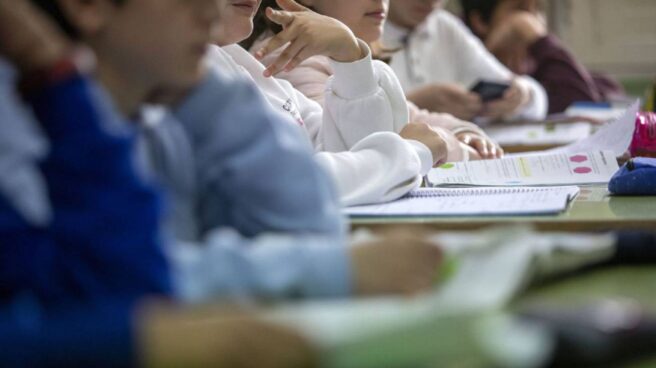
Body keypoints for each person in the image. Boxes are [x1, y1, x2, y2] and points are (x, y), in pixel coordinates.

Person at [28, 0, 444, 303]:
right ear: (88, 6)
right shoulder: (36, 127)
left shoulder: (169, 103)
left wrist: (204, 85)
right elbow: (121, 284)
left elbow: (308, 222)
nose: (209, 12)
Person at [0, 1, 316, 366]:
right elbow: (124, 302)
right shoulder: (25, 126)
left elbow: (139, 289)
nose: (211, 14)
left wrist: (56, 76)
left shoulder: (152, 121)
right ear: (88, 6)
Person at [210, 0, 458, 206]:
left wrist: (351, 58)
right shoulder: (188, 76)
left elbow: (346, 151)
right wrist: (412, 153)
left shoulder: (236, 62)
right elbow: (282, 185)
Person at [248, 0, 503, 160]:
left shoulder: (339, 58)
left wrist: (464, 132)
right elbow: (366, 148)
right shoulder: (289, 60)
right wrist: (450, 145)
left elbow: (409, 117)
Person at [381, 0, 547, 121]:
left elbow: (537, 100)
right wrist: (413, 106)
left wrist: (522, 94)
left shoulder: (444, 26)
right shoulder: (361, 30)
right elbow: (357, 128)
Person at [460, 0, 625, 114]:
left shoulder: (539, 66)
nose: (533, 20)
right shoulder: (464, 71)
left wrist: (540, 41)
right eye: (520, 8)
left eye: (538, 7)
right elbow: (579, 100)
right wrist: (540, 39)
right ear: (480, 21)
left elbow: (607, 90)